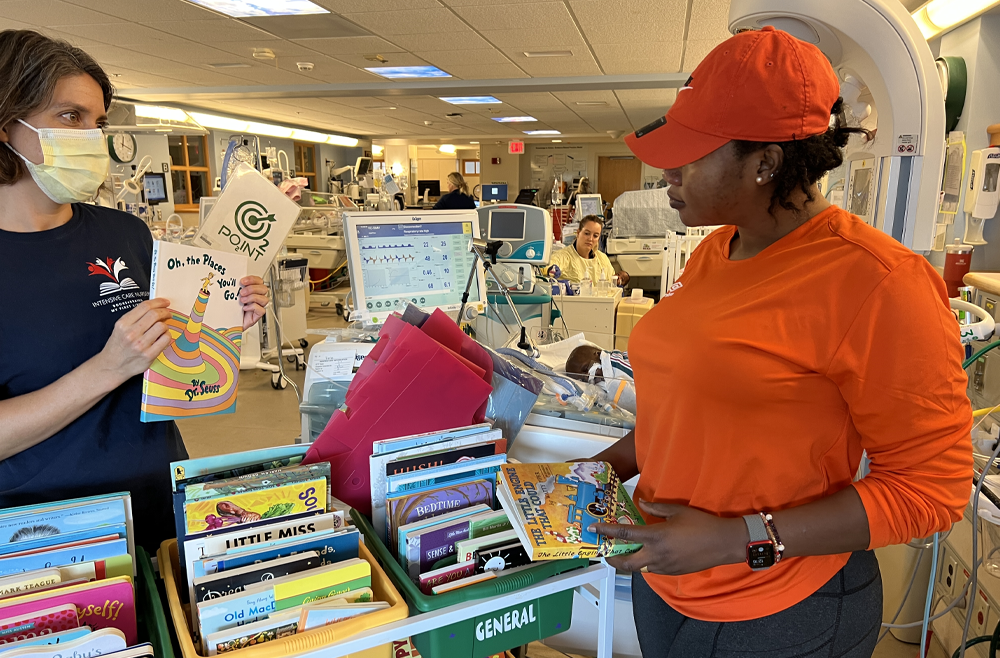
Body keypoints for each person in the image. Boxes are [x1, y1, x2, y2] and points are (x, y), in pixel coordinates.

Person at [588, 26, 971, 657]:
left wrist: (735, 538)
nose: (665, 174)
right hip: (671, 581)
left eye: (691, 155)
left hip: (784, 601)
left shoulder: (876, 283)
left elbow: (931, 491)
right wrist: (596, 471)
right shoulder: (715, 252)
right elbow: (686, 409)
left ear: (766, 162)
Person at [0, 30, 270, 549]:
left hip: (157, 493)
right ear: (5, 122)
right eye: (69, 116)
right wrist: (107, 368)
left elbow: (162, 347)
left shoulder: (121, 233)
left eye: (97, 122)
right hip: (49, 532)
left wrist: (218, 319)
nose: (90, 137)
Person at [549, 215, 630, 287]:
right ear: (578, 232)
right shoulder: (563, 256)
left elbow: (612, 283)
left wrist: (617, 286)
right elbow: (546, 268)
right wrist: (550, 270)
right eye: (587, 233)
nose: (590, 239)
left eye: (595, 236)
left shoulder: (602, 259)